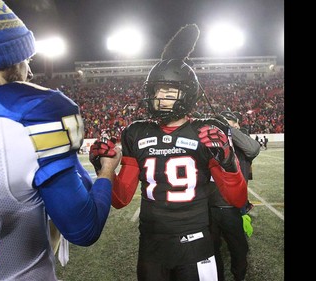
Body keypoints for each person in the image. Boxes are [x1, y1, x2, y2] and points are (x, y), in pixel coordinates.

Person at [0, 1, 122, 280]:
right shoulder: (32, 115)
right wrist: (105, 171)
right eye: (26, 60)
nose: (29, 72)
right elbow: (83, 228)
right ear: (10, 57)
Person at [89, 24, 247, 281]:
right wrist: (105, 169)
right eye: (157, 90)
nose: (160, 98)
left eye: (169, 91)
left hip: (196, 241)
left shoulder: (205, 131)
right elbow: (121, 199)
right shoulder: (136, 132)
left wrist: (228, 161)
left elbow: (237, 198)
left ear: (187, 94)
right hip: (152, 243)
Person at [208, 110, 260, 281]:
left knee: (239, 251)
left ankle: (239, 277)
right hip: (210, 208)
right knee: (212, 251)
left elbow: (253, 149)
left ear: (237, 125)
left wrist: (230, 130)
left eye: (229, 122)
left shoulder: (241, 142)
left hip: (234, 208)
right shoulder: (213, 141)